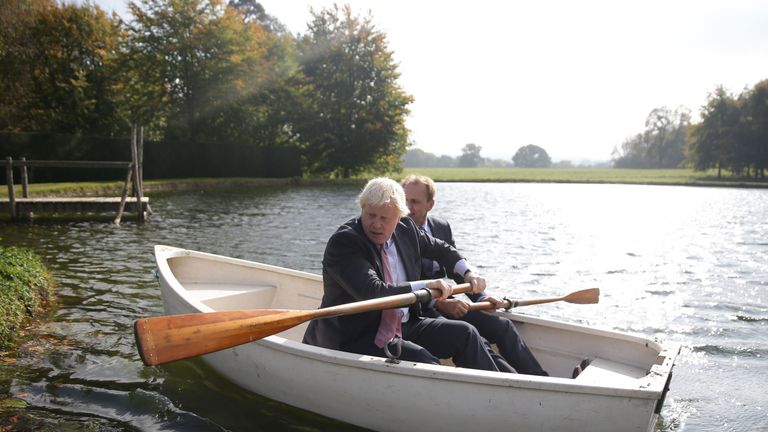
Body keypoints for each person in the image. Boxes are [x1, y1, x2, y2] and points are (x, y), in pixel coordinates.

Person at [303, 177, 512, 372]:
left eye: (385, 218)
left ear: (399, 217)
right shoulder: (346, 242)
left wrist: (467, 273)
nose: (376, 224)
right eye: (370, 215)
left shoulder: (406, 228)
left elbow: (441, 250)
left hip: (405, 324)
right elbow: (372, 292)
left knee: (466, 334)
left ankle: (500, 396)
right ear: (362, 209)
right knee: (426, 364)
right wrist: (428, 286)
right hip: (357, 336)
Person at [401, 174, 548, 376]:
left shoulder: (441, 227)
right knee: (476, 337)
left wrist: (480, 296)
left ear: (430, 204)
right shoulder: (395, 231)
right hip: (422, 309)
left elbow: (455, 269)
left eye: (415, 202)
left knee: (502, 326)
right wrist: (439, 304)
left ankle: (539, 378)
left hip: (447, 299)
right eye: (405, 200)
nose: (408, 208)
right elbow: (400, 283)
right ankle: (517, 383)